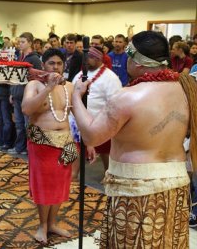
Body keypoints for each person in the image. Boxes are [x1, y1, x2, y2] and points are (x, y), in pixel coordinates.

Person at [72, 31, 196, 247]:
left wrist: (76, 97)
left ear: (138, 62)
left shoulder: (127, 96)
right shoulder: (186, 89)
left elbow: (92, 135)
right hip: (176, 183)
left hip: (137, 191)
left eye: (130, 57)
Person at [22, 48, 76, 244]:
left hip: (66, 142)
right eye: (51, 63)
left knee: (60, 186)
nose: (55, 67)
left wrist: (89, 141)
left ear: (64, 65)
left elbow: (77, 113)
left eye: (59, 63)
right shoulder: (35, 85)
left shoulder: (69, 86)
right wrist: (48, 88)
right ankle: (42, 226)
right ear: (43, 65)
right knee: (44, 187)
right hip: (42, 142)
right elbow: (27, 109)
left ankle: (52, 223)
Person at [72, 46, 122, 176]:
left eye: (89, 57)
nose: (85, 60)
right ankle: (73, 180)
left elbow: (115, 102)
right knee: (76, 155)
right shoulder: (80, 74)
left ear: (98, 58)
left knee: (106, 157)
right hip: (79, 124)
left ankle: (109, 177)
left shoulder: (110, 77)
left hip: (100, 124)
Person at [9, 32, 42, 154]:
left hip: (27, 96)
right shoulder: (19, 56)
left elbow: (38, 78)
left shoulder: (34, 58)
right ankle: (19, 147)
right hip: (17, 94)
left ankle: (30, 149)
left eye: (23, 42)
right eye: (19, 42)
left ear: (30, 43)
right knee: (18, 124)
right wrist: (12, 93)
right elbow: (15, 77)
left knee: (28, 124)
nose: (20, 44)